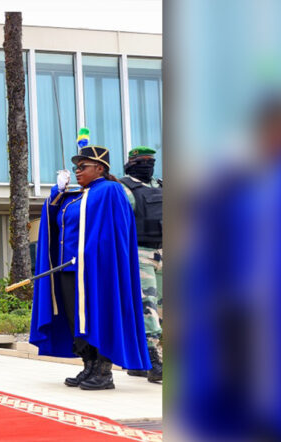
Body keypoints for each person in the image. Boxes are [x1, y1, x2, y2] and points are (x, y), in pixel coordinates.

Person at [30, 138, 151, 391]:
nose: (77, 171)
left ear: (100, 168)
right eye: (76, 167)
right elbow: (52, 220)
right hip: (68, 269)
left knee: (98, 317)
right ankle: (89, 365)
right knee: (78, 321)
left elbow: (113, 234)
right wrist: (56, 192)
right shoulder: (74, 197)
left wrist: (93, 256)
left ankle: (104, 372)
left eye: (83, 166)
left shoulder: (109, 190)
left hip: (97, 271)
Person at [120, 146, 163, 383]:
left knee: (164, 310)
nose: (148, 165)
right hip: (140, 254)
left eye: (151, 161)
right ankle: (151, 360)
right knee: (149, 309)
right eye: (142, 161)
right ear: (131, 163)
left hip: (163, 253)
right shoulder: (125, 188)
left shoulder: (162, 186)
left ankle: (138, 364)